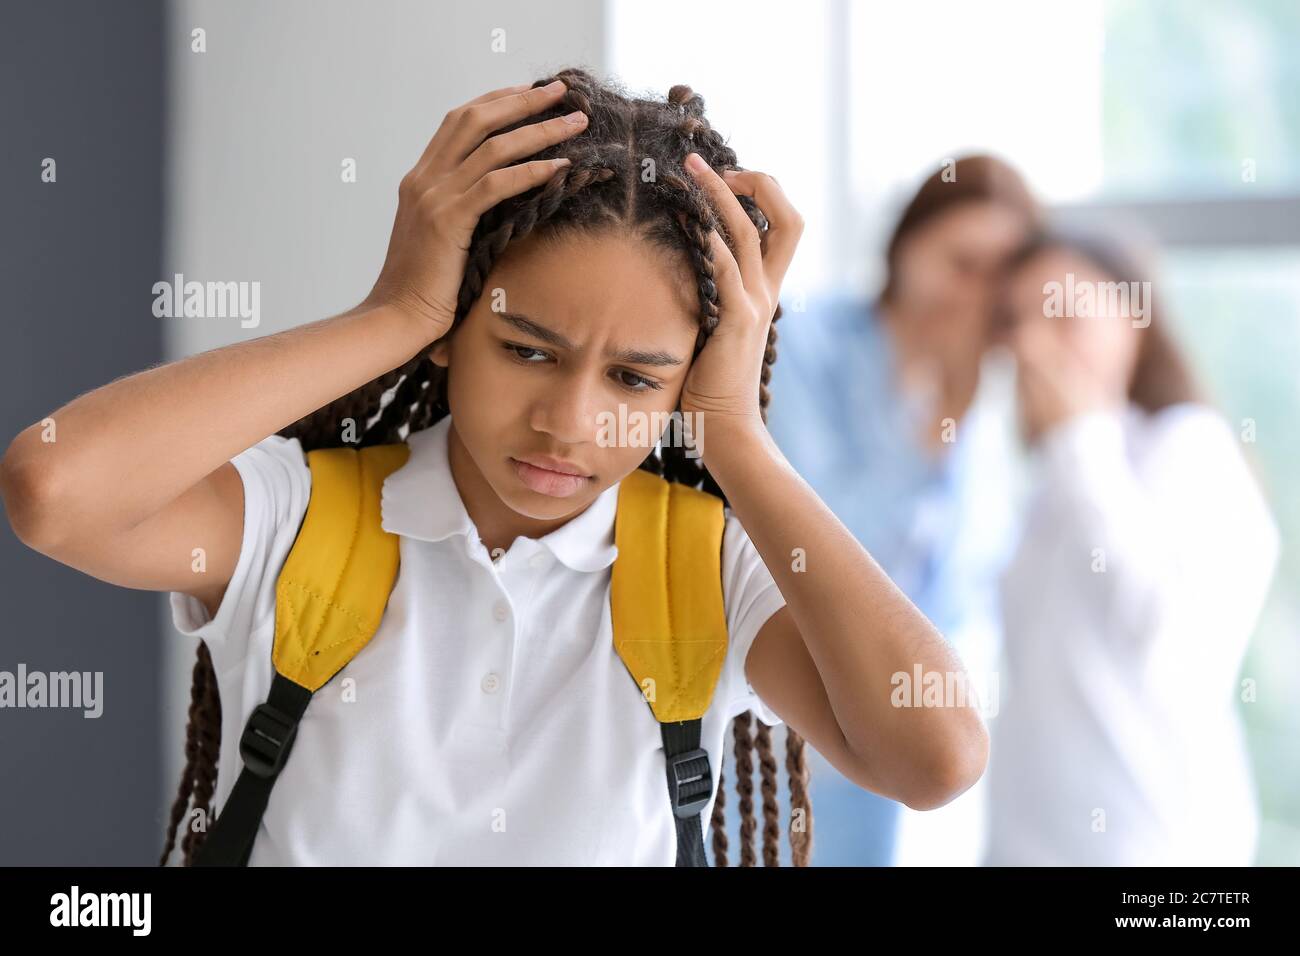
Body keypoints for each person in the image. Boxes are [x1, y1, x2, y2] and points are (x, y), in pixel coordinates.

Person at [1, 68, 987, 866]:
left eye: (637, 378)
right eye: (525, 348)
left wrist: (731, 431)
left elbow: (936, 753)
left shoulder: (707, 567)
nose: (568, 422)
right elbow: (54, 489)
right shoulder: (299, 516)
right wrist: (388, 316)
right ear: (453, 324)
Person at [766, 155, 1038, 865]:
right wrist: (928, 440)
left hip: (878, 740)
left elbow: (957, 594)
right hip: (774, 718)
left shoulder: (977, 407)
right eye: (962, 262)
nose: (978, 293)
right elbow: (812, 541)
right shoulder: (803, 341)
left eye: (1000, 277)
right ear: (906, 245)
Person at [984, 229, 1279, 865]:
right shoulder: (1050, 485)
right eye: (1016, 320)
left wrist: (1078, 437)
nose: (1033, 344)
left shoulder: (1189, 447)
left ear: (1134, 318)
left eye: (1064, 313)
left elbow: (1164, 634)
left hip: (1151, 848)